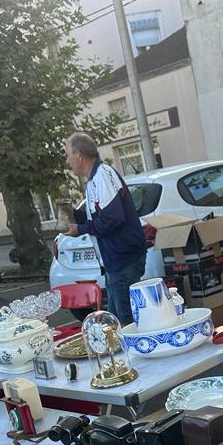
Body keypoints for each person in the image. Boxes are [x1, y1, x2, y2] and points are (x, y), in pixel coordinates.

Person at [59, 133, 147, 324]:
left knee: (125, 321)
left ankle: (134, 353)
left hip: (123, 259)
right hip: (115, 260)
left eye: (68, 155)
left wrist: (80, 229)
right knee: (114, 321)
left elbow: (112, 219)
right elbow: (99, 218)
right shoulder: (94, 180)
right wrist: (73, 214)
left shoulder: (102, 176)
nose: (67, 161)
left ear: (79, 155)